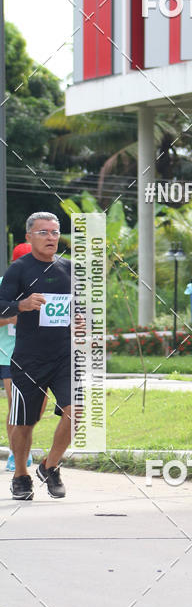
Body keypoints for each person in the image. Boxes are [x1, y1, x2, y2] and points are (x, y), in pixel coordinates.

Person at [0, 213, 73, 500]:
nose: (51, 237)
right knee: (24, 421)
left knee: (76, 411)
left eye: (55, 232)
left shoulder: (69, 269)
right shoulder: (19, 270)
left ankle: (50, 465)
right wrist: (23, 305)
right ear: (29, 236)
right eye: (44, 232)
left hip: (65, 357)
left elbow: (80, 310)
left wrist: (81, 320)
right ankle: (20, 475)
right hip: (29, 359)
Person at [0, 243, 37, 472]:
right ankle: (16, 453)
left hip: (37, 355)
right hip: (9, 355)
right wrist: (10, 319)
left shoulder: (43, 285)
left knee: (30, 409)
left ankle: (24, 448)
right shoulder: (4, 286)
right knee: (15, 406)